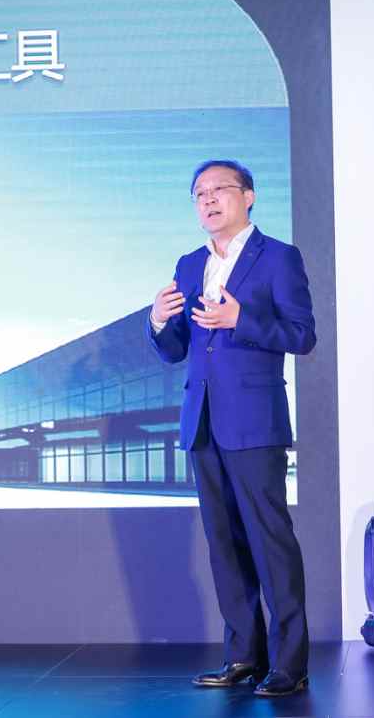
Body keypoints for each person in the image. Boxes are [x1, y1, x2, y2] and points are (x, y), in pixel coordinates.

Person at [147, 160, 315, 697]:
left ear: (249, 196)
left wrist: (240, 319)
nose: (209, 200)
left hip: (254, 422)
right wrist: (157, 320)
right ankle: (243, 655)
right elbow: (177, 348)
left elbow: (302, 335)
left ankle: (289, 664)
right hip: (201, 422)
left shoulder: (278, 258)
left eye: (220, 189)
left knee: (271, 543)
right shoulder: (189, 263)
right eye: (199, 193)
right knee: (224, 546)